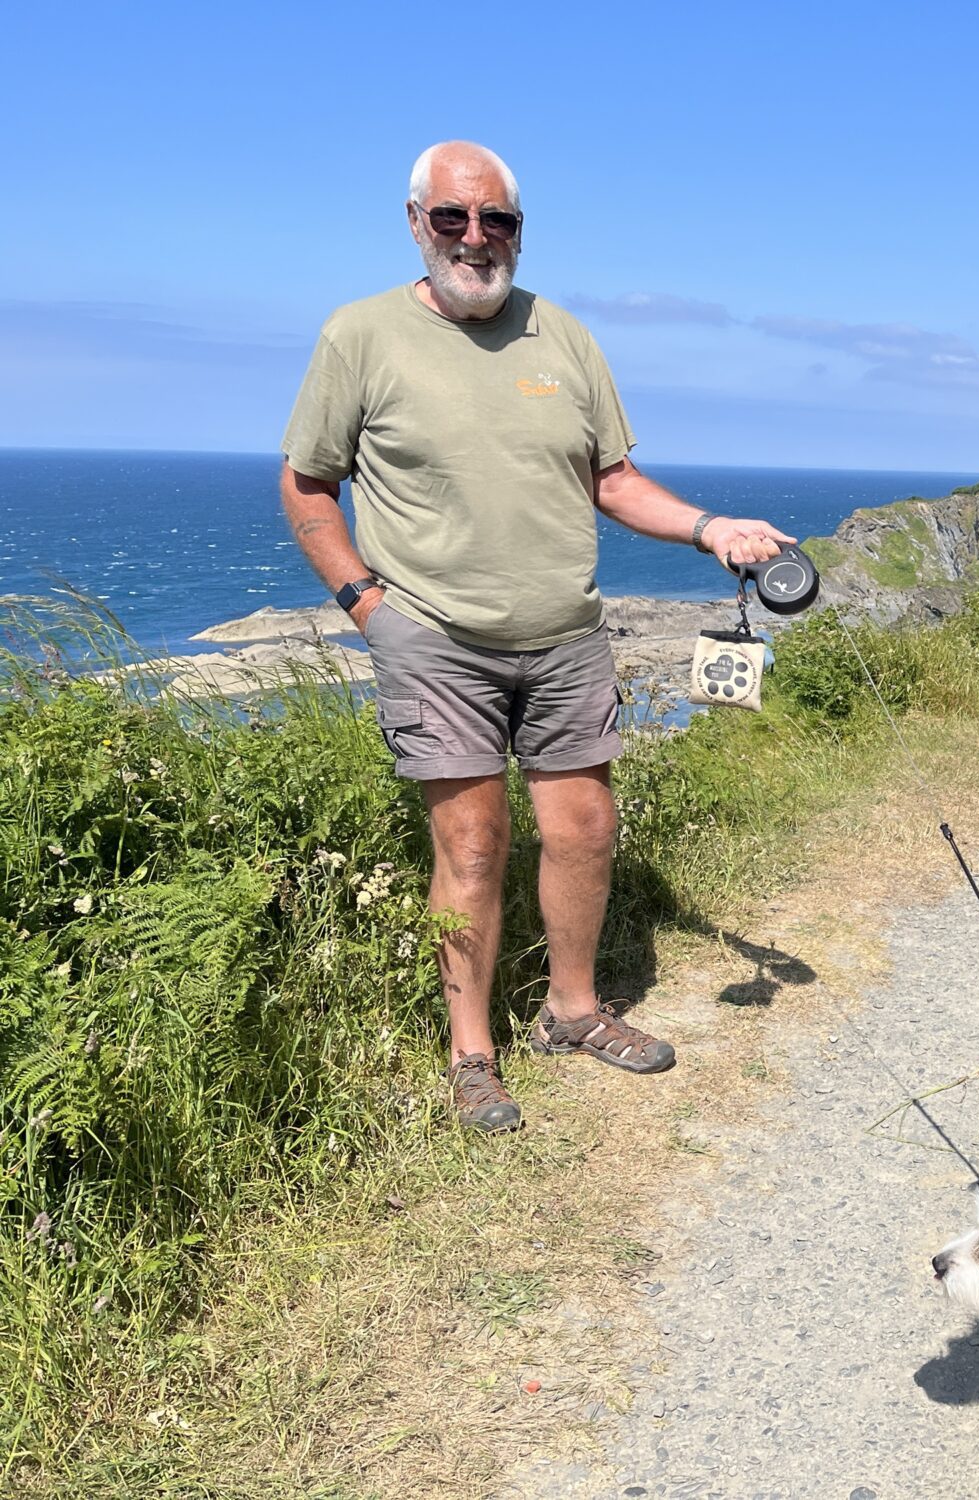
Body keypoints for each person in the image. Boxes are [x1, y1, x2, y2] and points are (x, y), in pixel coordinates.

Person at [278, 140, 793, 1132]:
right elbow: (308, 483)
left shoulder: (561, 336)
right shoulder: (361, 335)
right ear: (416, 221)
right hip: (432, 636)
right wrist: (364, 605)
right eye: (453, 219)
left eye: (497, 221)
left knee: (583, 830)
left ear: (519, 228)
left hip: (563, 635)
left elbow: (611, 481)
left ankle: (572, 1010)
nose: (476, 239)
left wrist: (707, 527)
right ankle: (472, 1055)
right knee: (472, 847)